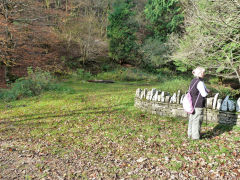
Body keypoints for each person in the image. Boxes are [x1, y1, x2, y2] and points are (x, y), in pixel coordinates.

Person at [188, 67, 209, 140]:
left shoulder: (193, 81)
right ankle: (195, 137)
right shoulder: (200, 82)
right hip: (198, 104)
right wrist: (207, 92)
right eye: (203, 72)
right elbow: (204, 94)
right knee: (197, 121)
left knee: (192, 120)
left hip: (192, 103)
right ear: (200, 73)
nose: (204, 74)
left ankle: (190, 134)